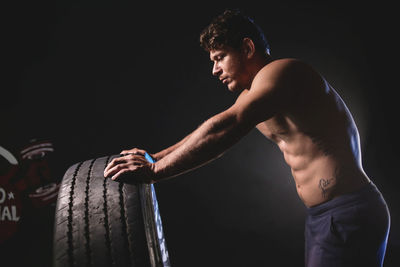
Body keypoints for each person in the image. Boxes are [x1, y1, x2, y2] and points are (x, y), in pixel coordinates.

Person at [104, 9, 390, 266]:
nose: (214, 69)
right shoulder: (252, 95)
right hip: (326, 216)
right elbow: (208, 129)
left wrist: (154, 171)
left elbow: (226, 128)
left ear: (247, 47)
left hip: (347, 212)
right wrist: (156, 156)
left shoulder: (283, 72)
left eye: (220, 57)